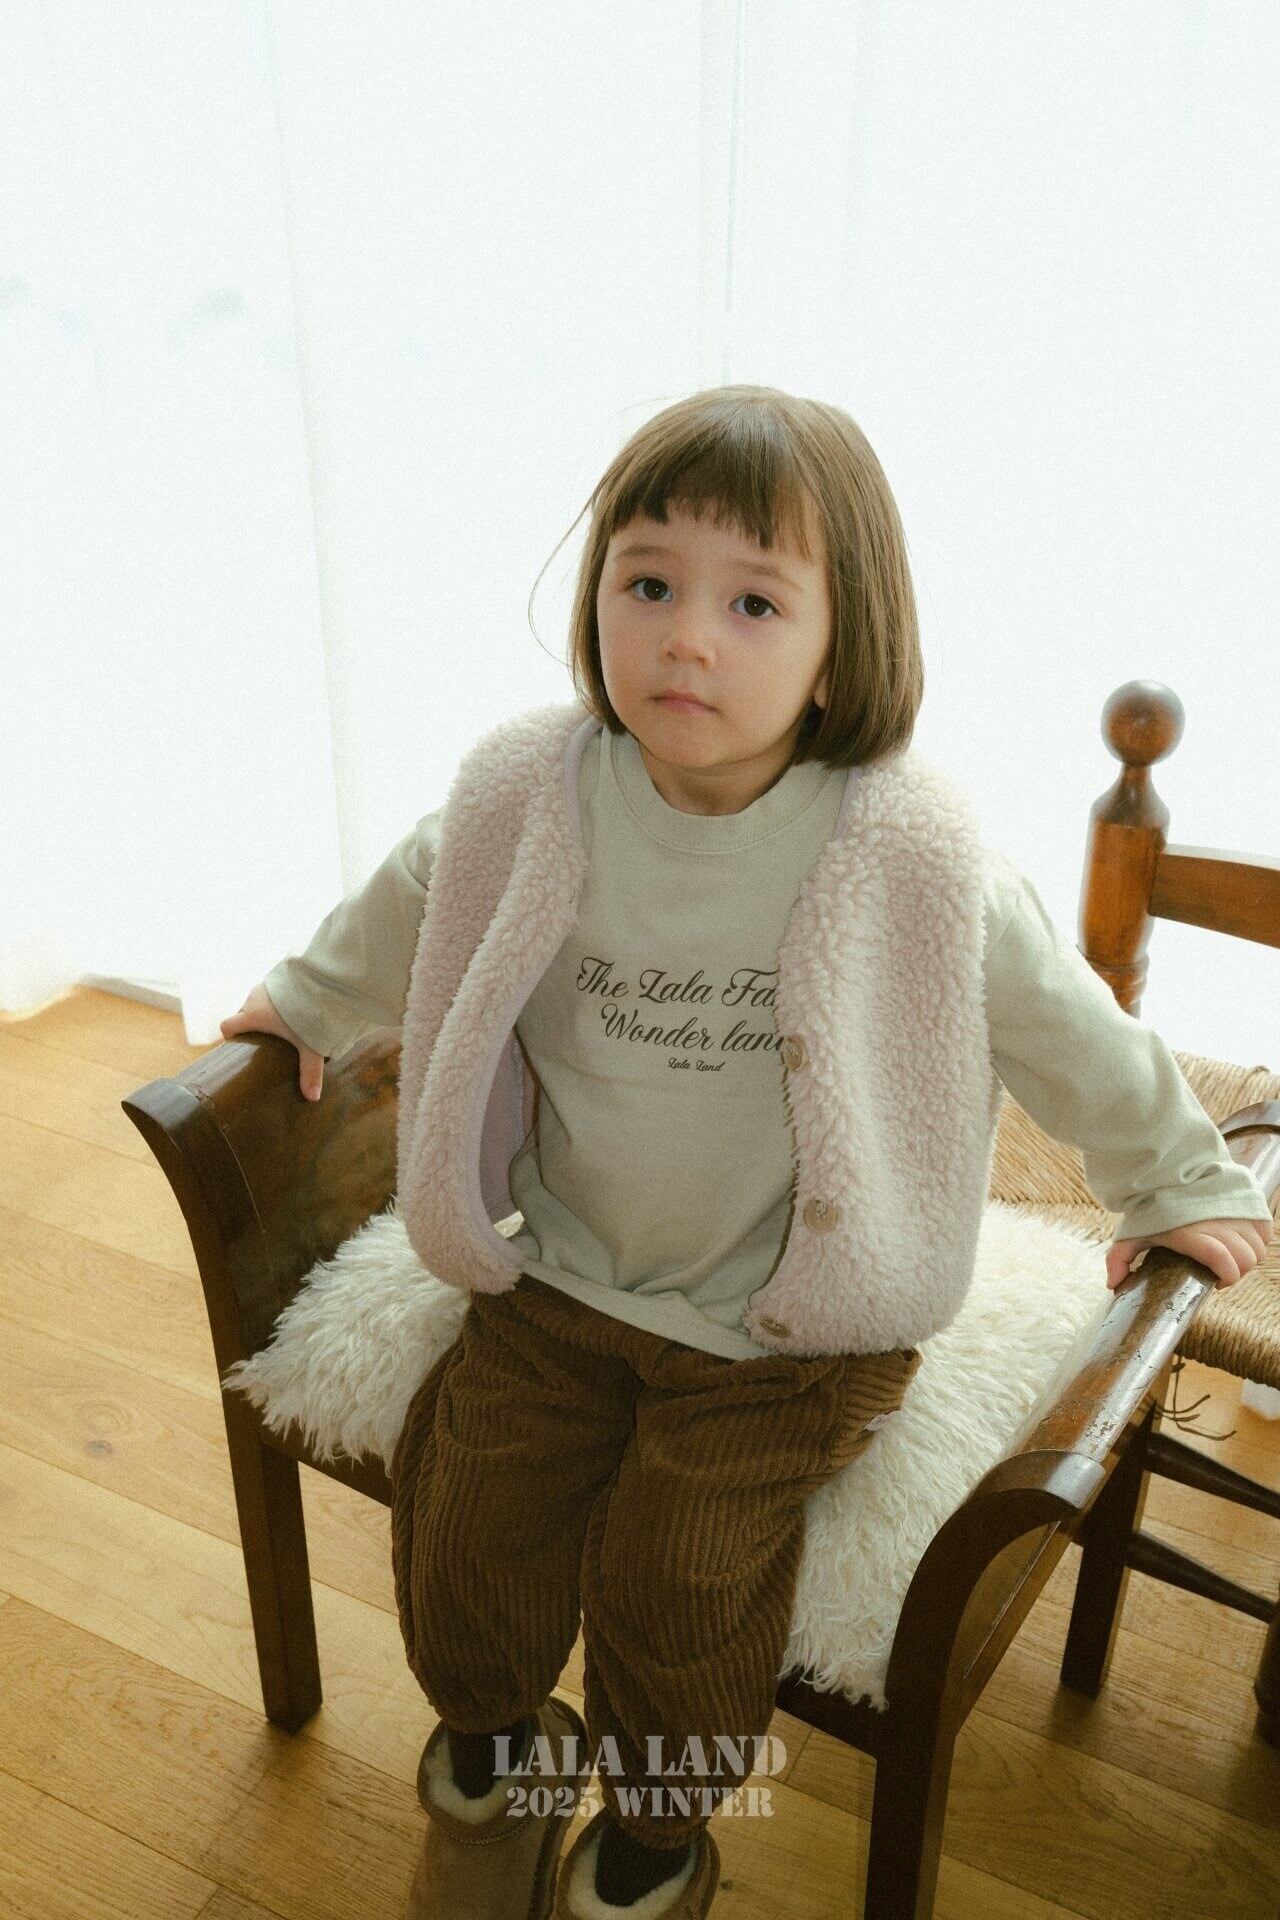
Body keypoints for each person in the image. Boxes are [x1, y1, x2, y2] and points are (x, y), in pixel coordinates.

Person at [220, 384, 1273, 1920]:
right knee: (468, 1534)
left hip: (787, 1335)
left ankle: (652, 1851)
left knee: (681, 1581)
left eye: (754, 602)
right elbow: (412, 898)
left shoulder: (906, 855)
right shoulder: (534, 796)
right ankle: (495, 1768)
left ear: (845, 645)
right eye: (647, 583)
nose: (686, 641)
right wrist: (306, 1001)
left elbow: (1073, 1030)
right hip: (565, 1276)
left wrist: (1178, 1181)